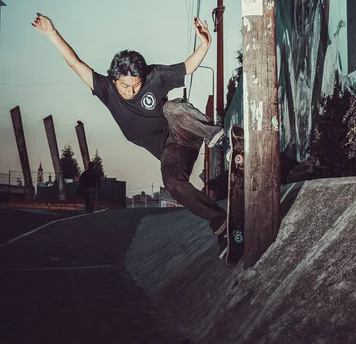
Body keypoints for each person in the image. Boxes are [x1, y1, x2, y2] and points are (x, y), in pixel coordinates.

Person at [32, 13, 228, 248]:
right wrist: (52, 33)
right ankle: (220, 223)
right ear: (114, 80)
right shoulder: (105, 89)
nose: (131, 91)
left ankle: (220, 139)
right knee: (173, 183)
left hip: (185, 129)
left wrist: (205, 44)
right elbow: (75, 63)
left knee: (173, 107)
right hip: (171, 151)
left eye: (136, 85)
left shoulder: (154, 76)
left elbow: (188, 66)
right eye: (125, 86)